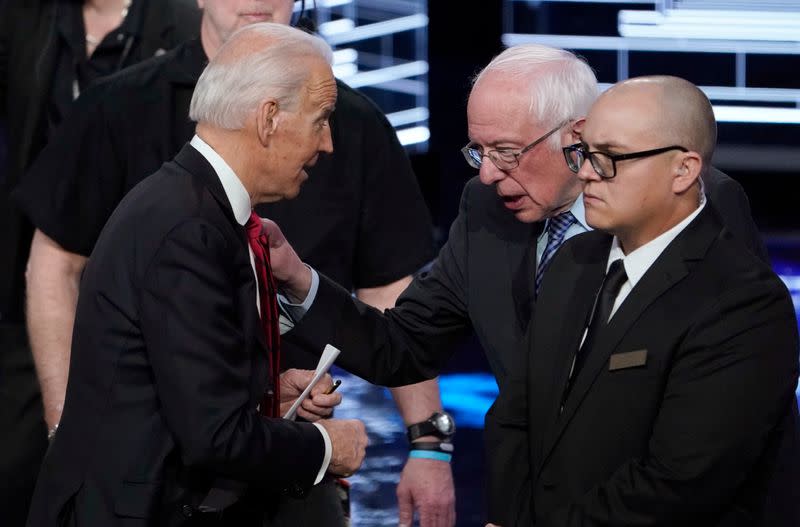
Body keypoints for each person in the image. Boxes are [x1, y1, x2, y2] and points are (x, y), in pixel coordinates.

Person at [261, 46, 772, 526]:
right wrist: (300, 281)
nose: (487, 174)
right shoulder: (486, 211)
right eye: (477, 150)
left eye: (505, 152)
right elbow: (404, 345)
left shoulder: (699, 205)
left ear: (576, 135)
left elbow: (712, 430)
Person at [12, 1, 452, 524]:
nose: (329, 143)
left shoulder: (199, 207)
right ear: (269, 119)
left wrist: (263, 391)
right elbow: (212, 435)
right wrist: (325, 447)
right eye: (320, 122)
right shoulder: (188, 228)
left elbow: (184, 374)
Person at [488, 75, 800, 526]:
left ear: (684, 170)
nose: (586, 172)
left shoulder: (743, 303)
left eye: (610, 158)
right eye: (584, 153)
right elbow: (516, 415)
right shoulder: (573, 261)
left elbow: (679, 484)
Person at [0, 1, 200, 524]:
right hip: (41, 267)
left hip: (149, 289)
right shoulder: (26, 18)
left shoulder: (188, 19)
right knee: (24, 474)